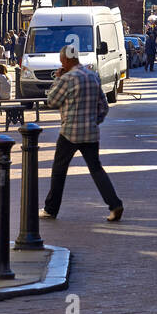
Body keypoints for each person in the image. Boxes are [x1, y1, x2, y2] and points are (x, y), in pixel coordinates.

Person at [40, 44, 123, 222]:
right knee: (96, 169)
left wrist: (57, 78)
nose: (61, 63)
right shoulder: (92, 75)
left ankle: (51, 209)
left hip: (70, 131)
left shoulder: (67, 78)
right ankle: (115, 204)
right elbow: (104, 106)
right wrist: (94, 121)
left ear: (67, 60)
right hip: (91, 132)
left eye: (62, 60)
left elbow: (52, 101)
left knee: (59, 170)